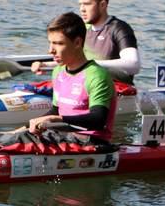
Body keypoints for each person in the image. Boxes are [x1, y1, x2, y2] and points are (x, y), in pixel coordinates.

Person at [26, 12, 117, 143]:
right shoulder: (58, 72)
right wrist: (25, 127)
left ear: (77, 42)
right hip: (64, 137)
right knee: (12, 137)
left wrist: (56, 119)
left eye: (58, 43)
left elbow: (98, 120)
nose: (50, 50)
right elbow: (56, 110)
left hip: (92, 142)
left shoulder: (96, 75)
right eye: (50, 43)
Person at [33, 0, 141, 84]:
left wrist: (90, 64)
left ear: (102, 5)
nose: (82, 9)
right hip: (86, 86)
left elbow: (134, 65)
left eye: (87, 4)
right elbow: (73, 60)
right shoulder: (84, 28)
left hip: (116, 91)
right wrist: (45, 65)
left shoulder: (119, 28)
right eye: (80, 4)